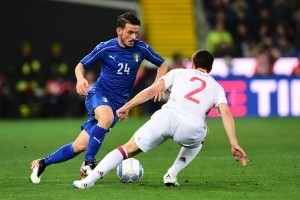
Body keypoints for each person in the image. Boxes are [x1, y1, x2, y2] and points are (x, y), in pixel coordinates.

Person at [72, 49, 249, 189]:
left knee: (127, 149)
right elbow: (225, 112)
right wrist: (234, 142)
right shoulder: (216, 87)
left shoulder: (179, 73)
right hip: (191, 128)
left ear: (192, 64)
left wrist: (127, 107)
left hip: (166, 117)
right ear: (210, 68)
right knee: (205, 132)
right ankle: (171, 174)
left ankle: (88, 181)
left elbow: (151, 91)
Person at [30, 11, 168, 184]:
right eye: (130, 32)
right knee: (106, 117)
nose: (134, 36)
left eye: (136, 32)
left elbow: (162, 64)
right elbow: (81, 65)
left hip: (118, 105)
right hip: (99, 94)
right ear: (119, 30)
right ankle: (88, 164)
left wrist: (157, 84)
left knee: (80, 146)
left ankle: (42, 163)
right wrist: (80, 79)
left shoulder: (141, 49)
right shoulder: (106, 48)